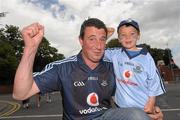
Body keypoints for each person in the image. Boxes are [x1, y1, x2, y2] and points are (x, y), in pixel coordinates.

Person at [13, 18, 162, 120]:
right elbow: (21, 93)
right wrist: (30, 49)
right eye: (91, 39)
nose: (98, 46)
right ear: (81, 41)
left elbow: (138, 82)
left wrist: (150, 111)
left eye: (102, 39)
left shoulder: (113, 65)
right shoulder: (63, 68)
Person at [105, 18, 166, 114]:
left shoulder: (146, 57)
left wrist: (151, 102)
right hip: (121, 106)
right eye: (123, 35)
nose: (128, 38)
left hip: (142, 108)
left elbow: (153, 81)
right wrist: (105, 36)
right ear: (119, 39)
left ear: (138, 36)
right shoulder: (115, 54)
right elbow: (97, 51)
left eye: (132, 34)